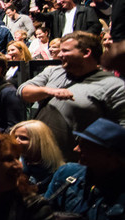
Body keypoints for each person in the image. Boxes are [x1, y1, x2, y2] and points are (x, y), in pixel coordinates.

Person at [18, 31, 125, 161]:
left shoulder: (114, 86)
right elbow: (23, 91)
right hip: (36, 158)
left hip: (73, 163)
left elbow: (121, 130)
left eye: (65, 51)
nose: (60, 54)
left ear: (86, 53)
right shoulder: (53, 71)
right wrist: (49, 91)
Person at [10, 120, 64, 193]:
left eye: (23, 138)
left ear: (39, 141)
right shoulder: (14, 162)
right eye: (15, 137)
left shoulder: (58, 172)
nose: (16, 141)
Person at [30, 0, 102, 38]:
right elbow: (43, 17)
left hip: (80, 45)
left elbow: (95, 27)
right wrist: (36, 13)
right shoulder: (57, 14)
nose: (58, 2)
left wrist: (82, 37)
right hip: (62, 45)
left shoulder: (86, 10)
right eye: (55, 1)